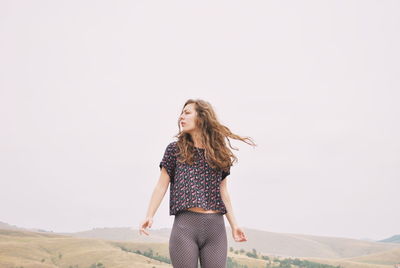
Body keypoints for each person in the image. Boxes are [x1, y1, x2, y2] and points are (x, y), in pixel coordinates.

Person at [139, 99, 256, 268]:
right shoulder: (174, 150)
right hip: (185, 228)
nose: (181, 117)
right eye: (181, 113)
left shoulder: (219, 153)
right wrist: (149, 215)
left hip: (215, 230)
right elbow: (161, 185)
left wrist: (234, 225)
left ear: (201, 117)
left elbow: (224, 192)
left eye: (187, 113)